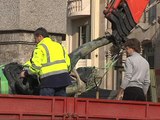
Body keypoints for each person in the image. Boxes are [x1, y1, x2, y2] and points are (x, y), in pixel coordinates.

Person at [20, 27, 72, 96]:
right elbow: (68, 64)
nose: (35, 41)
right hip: (63, 80)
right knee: (60, 104)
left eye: (35, 38)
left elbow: (36, 67)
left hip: (48, 81)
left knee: (46, 104)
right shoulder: (59, 46)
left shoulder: (40, 48)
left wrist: (25, 73)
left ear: (40, 36)